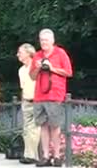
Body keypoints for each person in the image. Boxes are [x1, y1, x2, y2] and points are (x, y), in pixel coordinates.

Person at [30, 29, 72, 167]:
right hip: (39, 95)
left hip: (55, 95)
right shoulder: (37, 55)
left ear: (52, 41)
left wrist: (52, 68)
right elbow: (32, 76)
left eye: (46, 40)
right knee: (42, 125)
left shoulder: (60, 53)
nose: (44, 43)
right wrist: (37, 68)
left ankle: (57, 156)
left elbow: (68, 72)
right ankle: (45, 156)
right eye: (41, 40)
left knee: (55, 126)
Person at [17, 43, 40, 164]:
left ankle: (31, 155)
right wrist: (22, 101)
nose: (18, 55)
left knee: (34, 129)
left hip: (37, 101)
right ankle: (29, 154)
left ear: (28, 53)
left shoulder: (36, 66)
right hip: (26, 100)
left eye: (20, 52)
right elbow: (23, 87)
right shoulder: (21, 70)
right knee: (26, 129)